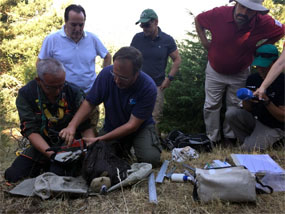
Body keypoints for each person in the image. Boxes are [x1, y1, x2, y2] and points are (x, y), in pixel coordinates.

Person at [195, 0, 284, 145]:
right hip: (215, 69)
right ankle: (212, 139)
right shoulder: (219, 13)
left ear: (257, 11)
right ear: (236, 3)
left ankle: (230, 138)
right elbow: (198, 19)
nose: (243, 13)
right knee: (211, 105)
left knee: (236, 105)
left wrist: (262, 46)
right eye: (242, 6)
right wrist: (205, 42)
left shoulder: (264, 22)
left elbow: (281, 30)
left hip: (240, 71)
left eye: (250, 10)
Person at [59, 46, 161, 167]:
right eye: (115, 74)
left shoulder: (148, 87)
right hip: (112, 126)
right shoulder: (106, 74)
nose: (117, 81)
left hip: (140, 128)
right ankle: (122, 147)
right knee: (98, 156)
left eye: (123, 77)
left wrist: (100, 139)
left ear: (136, 73)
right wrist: (72, 125)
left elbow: (132, 125)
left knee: (150, 159)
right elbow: (89, 102)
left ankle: (135, 144)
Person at [4, 58, 95, 183]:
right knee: (13, 175)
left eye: (61, 85)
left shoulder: (73, 92)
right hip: (43, 145)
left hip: (69, 145)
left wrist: (91, 150)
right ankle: (49, 164)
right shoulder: (26, 94)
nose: (58, 91)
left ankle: (56, 167)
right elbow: (30, 131)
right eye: (51, 87)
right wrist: (52, 156)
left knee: (59, 175)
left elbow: (86, 125)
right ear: (39, 81)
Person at [37, 4, 112, 133]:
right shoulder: (52, 40)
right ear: (65, 22)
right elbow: (40, 63)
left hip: (89, 95)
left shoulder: (92, 38)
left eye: (81, 25)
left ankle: (89, 153)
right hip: (63, 97)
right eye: (73, 24)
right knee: (65, 132)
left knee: (89, 131)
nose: (78, 29)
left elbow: (107, 56)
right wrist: (46, 89)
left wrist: (102, 81)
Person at [131, 9, 181, 135]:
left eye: (147, 25)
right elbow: (129, 58)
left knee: (154, 118)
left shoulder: (167, 40)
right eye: (142, 25)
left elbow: (177, 59)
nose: (144, 28)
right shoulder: (137, 38)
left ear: (156, 22)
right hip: (137, 85)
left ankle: (152, 144)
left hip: (157, 86)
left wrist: (169, 78)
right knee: (133, 114)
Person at [226, 44, 284, 151]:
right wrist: (247, 99)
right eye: (258, 65)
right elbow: (248, 108)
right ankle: (249, 142)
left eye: (264, 66)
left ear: (275, 63)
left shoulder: (282, 82)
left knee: (248, 150)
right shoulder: (253, 79)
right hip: (257, 120)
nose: (260, 69)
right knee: (231, 113)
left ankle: (271, 143)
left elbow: (283, 117)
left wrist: (266, 101)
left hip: (275, 126)